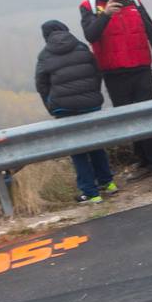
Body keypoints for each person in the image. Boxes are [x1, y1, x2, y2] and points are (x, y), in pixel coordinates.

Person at [79, 0, 152, 182]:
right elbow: (91, 35)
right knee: (129, 120)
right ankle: (144, 162)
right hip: (113, 72)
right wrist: (106, 15)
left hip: (140, 67)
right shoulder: (89, 6)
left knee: (148, 116)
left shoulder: (133, 0)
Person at [34, 20, 113, 204]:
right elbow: (96, 73)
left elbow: (41, 85)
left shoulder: (44, 55)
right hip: (91, 104)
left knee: (77, 150)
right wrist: (93, 95)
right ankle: (108, 183)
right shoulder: (81, 47)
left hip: (65, 108)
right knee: (96, 144)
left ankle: (91, 193)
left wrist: (51, 106)